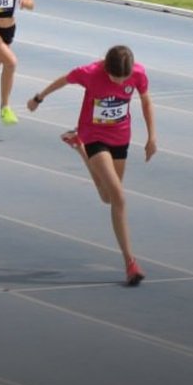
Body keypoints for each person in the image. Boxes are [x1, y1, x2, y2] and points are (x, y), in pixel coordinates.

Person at [26, 44, 157, 286]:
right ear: (106, 68)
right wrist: (38, 98)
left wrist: (151, 137)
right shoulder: (89, 73)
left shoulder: (138, 73)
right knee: (118, 197)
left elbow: (146, 102)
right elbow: (63, 80)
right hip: (95, 137)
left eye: (123, 79)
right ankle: (130, 263)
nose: (119, 83)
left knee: (107, 198)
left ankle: (78, 148)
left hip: (121, 138)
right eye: (114, 77)